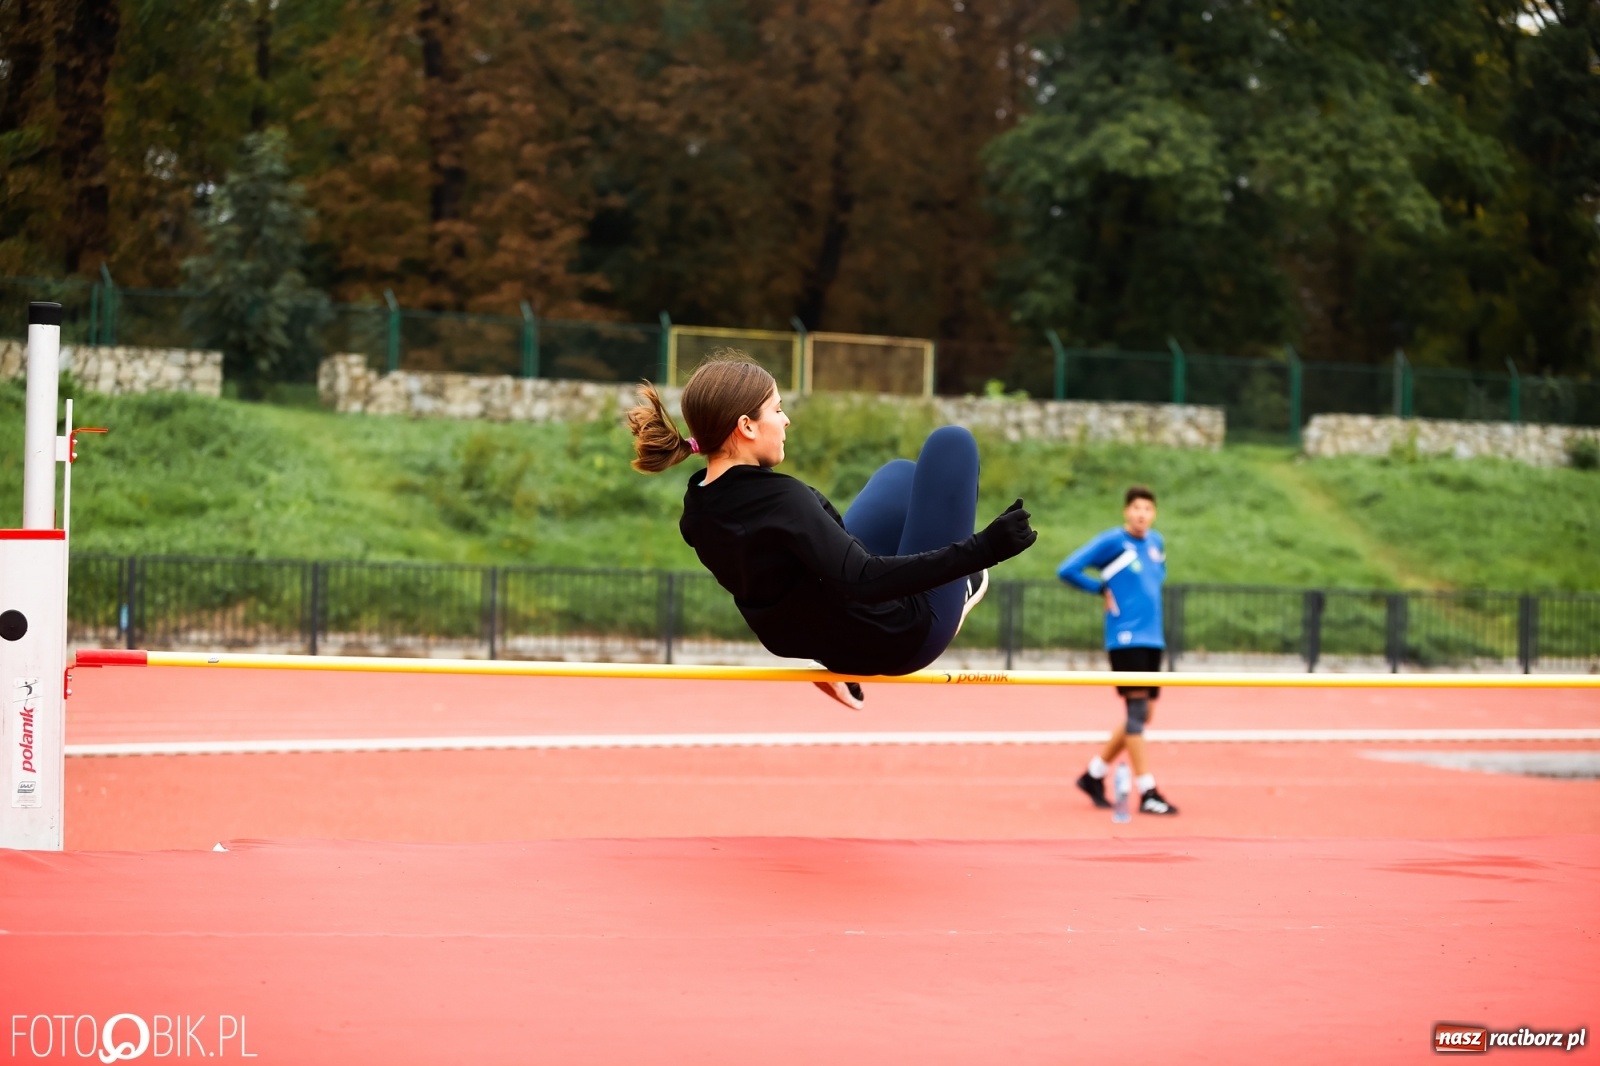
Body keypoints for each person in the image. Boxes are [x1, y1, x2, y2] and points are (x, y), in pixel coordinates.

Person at [627, 352, 1038, 708]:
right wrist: (984, 549)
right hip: (904, 636)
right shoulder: (784, 500)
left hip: (823, 640)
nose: (786, 421)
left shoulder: (697, 510)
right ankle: (962, 590)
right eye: (777, 409)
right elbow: (864, 582)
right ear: (747, 426)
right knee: (952, 444)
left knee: (900, 477)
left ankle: (843, 669)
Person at [1056, 485, 1178, 815]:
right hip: (1126, 638)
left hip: (1153, 638)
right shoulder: (1113, 542)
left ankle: (1093, 774)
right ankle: (1148, 791)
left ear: (1154, 513)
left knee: (1145, 714)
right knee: (1137, 715)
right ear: (1126, 511)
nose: (1141, 514)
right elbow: (1067, 569)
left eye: (1148, 509)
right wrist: (1100, 589)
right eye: (1136, 508)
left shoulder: (1156, 544)